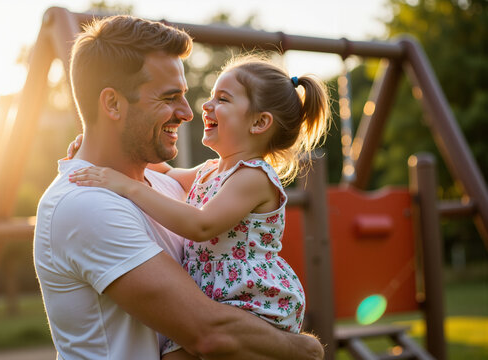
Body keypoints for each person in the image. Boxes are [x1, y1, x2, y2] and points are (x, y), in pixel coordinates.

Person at [34, 13, 324, 360]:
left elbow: (174, 184)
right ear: (112, 103)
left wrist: (98, 153)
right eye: (170, 97)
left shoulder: (158, 186)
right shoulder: (85, 203)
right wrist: (306, 350)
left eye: (185, 95)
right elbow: (211, 335)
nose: (188, 112)